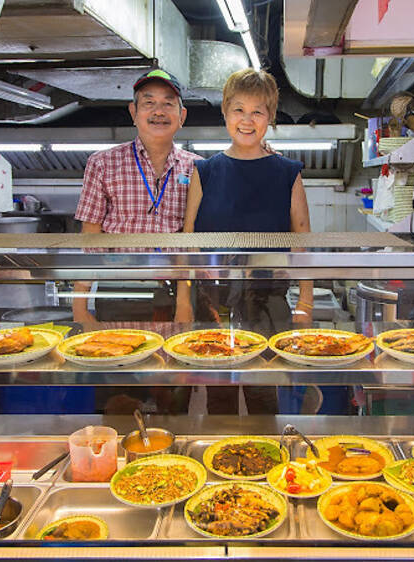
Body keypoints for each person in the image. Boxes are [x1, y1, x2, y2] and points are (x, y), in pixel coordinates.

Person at [175, 68, 314, 414]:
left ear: (269, 117)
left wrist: (306, 303)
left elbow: (302, 240)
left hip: (269, 299)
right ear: (224, 113)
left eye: (258, 111)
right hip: (213, 298)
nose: (247, 120)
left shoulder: (288, 173)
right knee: (219, 392)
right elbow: (188, 240)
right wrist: (183, 299)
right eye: (238, 109)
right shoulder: (204, 171)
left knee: (264, 392)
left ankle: (264, 464)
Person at [70, 68, 201, 415]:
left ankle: (172, 463)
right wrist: (81, 306)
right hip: (119, 295)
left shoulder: (199, 168)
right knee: (118, 401)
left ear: (182, 115)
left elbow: (193, 242)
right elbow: (91, 238)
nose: (159, 111)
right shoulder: (102, 163)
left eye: (168, 104)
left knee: (172, 399)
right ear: (133, 111)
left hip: (174, 296)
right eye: (149, 103)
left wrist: (186, 302)